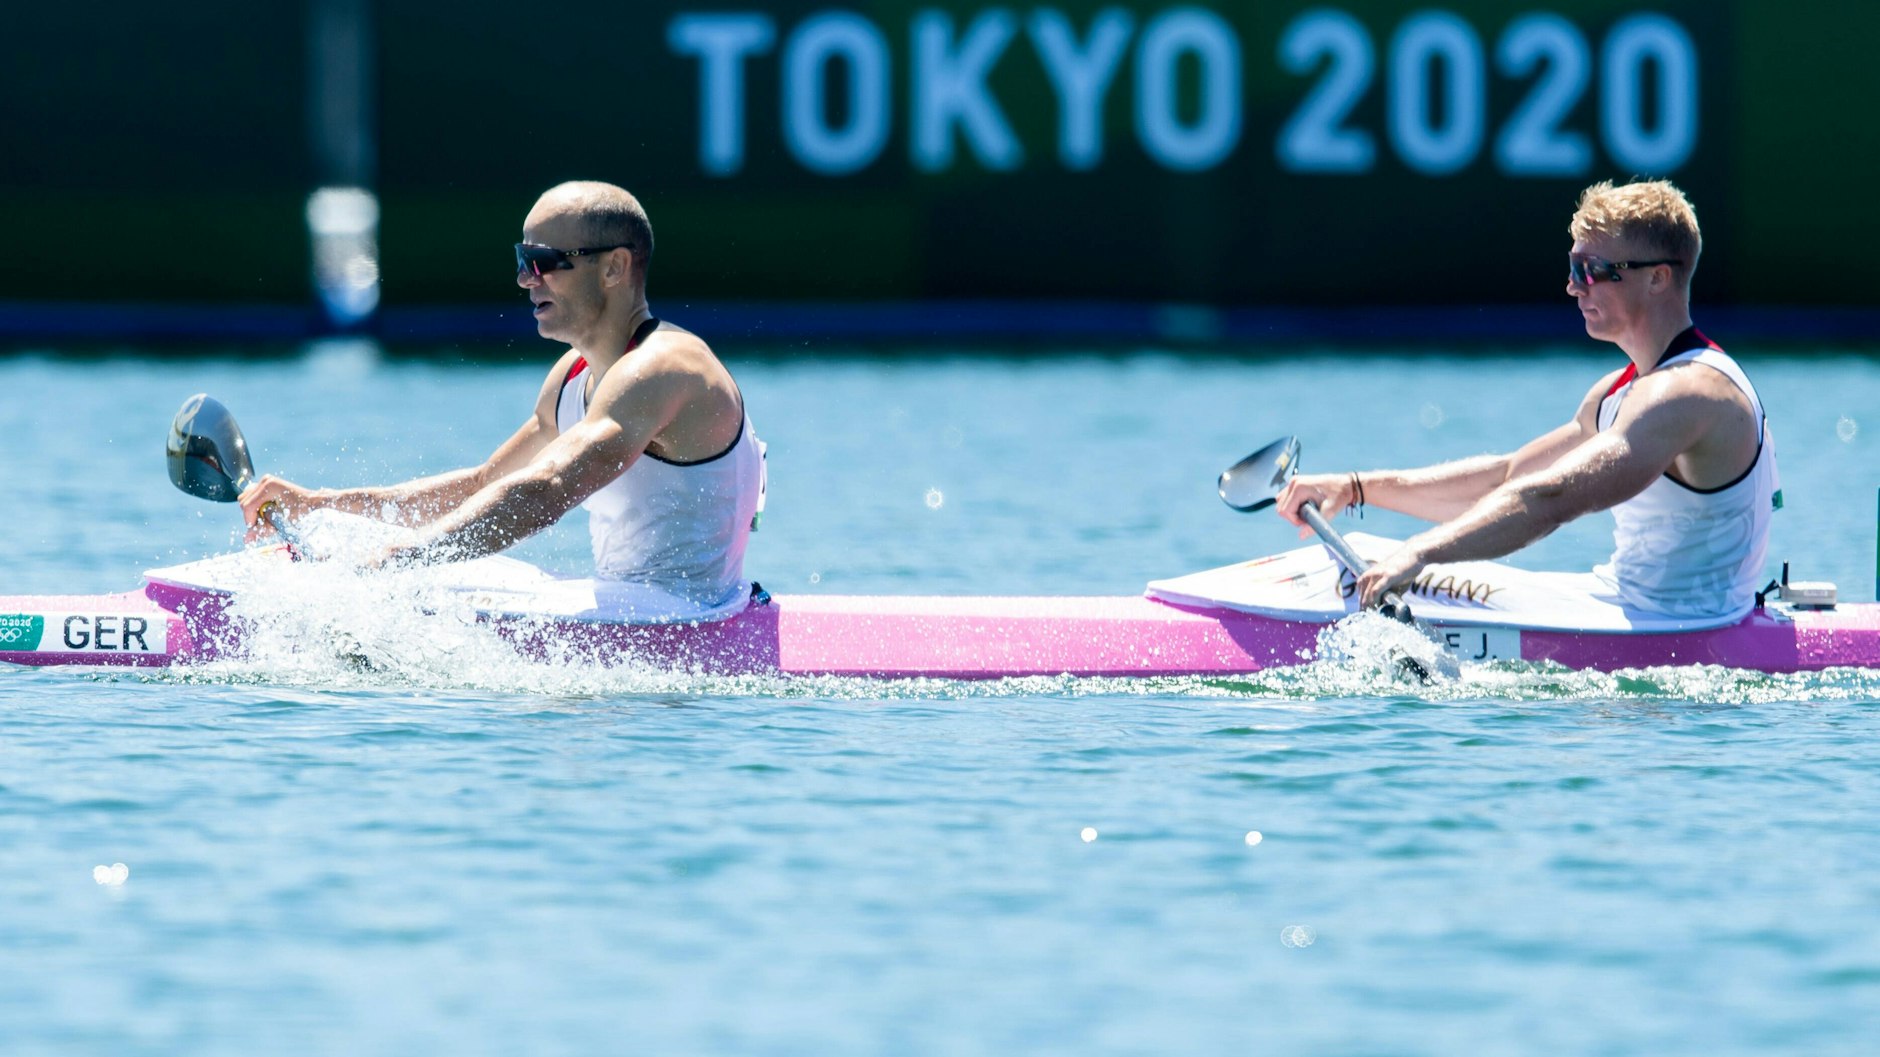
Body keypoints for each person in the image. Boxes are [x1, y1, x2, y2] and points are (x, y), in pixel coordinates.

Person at [240, 180, 766, 621]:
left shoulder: (665, 366)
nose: (523, 279)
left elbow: (549, 487)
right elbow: (481, 485)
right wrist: (318, 504)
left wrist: (398, 560)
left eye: (544, 262)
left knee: (418, 574)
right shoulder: (573, 375)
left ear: (613, 268)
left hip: (690, 615)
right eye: (522, 259)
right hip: (627, 609)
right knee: (352, 535)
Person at [1275, 179, 1778, 620]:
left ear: (1657, 277)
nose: (1571, 286)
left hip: (1687, 626)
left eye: (1590, 269)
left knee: (1372, 575)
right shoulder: (1615, 393)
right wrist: (1357, 486)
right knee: (1359, 558)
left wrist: (1420, 553)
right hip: (1634, 606)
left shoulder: (1687, 391)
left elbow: (1553, 498)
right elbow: (1511, 478)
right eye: (1572, 266)